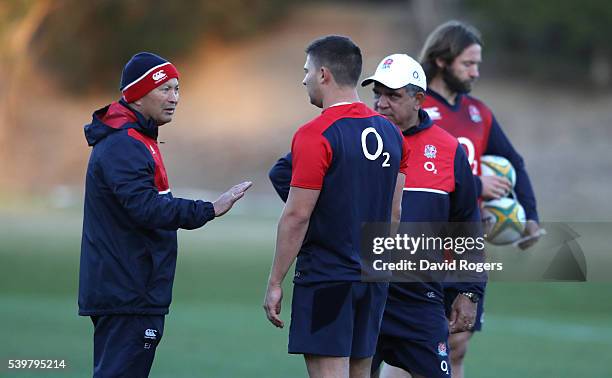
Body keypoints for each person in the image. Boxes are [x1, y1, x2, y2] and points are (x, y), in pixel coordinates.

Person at [269, 54, 484, 378]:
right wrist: (330, 217)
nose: (381, 103)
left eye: (393, 95)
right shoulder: (355, 132)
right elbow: (284, 174)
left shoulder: (449, 150)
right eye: (377, 94)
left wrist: (469, 291)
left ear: (419, 99)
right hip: (360, 287)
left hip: (416, 298)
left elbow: (467, 224)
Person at [79, 52, 252, 377]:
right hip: (128, 292)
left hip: (132, 289)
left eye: (177, 89)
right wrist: (209, 209)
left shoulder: (136, 138)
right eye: (165, 89)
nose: (175, 98)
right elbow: (145, 208)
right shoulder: (124, 144)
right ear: (138, 94)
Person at [263, 36, 408, 378]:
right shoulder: (393, 135)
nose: (303, 80)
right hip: (372, 279)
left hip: (327, 278)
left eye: (306, 71)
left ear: (324, 74)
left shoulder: (316, 134)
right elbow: (394, 213)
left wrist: (274, 281)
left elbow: (297, 216)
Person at [419, 21, 542, 377]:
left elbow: (514, 162)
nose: (475, 71)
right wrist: (476, 184)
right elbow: (417, 171)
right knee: (415, 345)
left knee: (457, 344)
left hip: (465, 244)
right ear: (442, 60)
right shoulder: (416, 106)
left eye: (478, 64)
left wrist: (529, 215)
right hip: (422, 241)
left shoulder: (478, 112)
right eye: (467, 64)